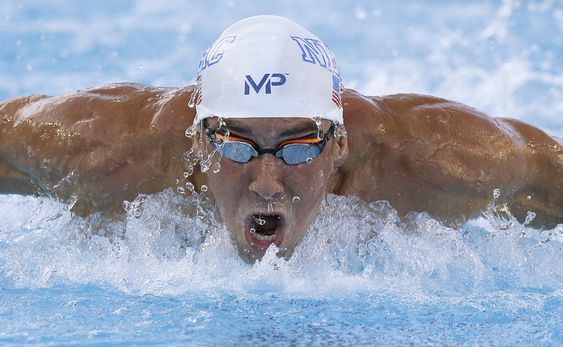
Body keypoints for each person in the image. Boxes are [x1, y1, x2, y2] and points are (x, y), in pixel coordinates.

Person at [0, 15, 561, 262]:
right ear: (197, 139)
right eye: (237, 144)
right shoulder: (103, 148)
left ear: (340, 144)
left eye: (298, 146)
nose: (267, 182)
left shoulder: (439, 159)